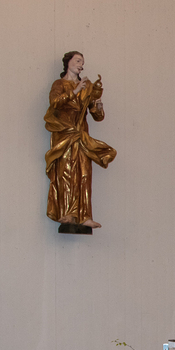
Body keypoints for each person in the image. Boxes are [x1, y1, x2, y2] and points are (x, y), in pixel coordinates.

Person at [44, 51, 116, 229]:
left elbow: (97, 116)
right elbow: (55, 103)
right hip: (65, 135)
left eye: (82, 62)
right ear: (68, 63)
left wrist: (98, 105)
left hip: (81, 135)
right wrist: (75, 91)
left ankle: (85, 216)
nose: (80, 64)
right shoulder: (59, 84)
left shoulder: (87, 86)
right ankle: (67, 213)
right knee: (66, 173)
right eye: (77, 61)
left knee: (84, 174)